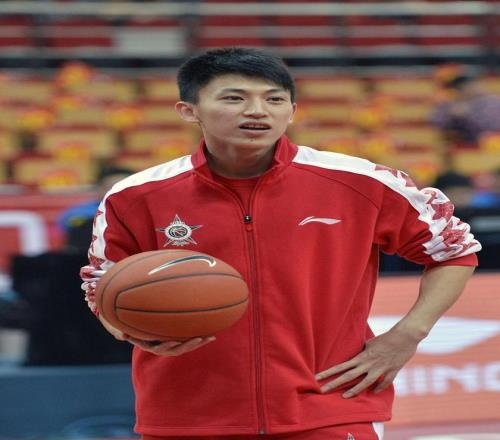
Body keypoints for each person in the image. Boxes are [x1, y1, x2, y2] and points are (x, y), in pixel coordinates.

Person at [80, 48, 481, 440]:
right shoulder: (134, 196)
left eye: (274, 99)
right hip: (185, 414)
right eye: (234, 98)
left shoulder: (363, 182)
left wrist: (407, 335)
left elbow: (456, 251)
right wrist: (131, 330)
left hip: (330, 405)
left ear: (292, 111)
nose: (258, 111)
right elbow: (101, 285)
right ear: (189, 110)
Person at [430, 73, 500, 146]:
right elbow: (437, 124)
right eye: (470, 87)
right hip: (462, 144)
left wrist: (469, 115)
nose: (477, 89)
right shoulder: (449, 104)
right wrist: (452, 114)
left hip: (490, 142)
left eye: (476, 85)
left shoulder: (493, 101)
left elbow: (493, 126)